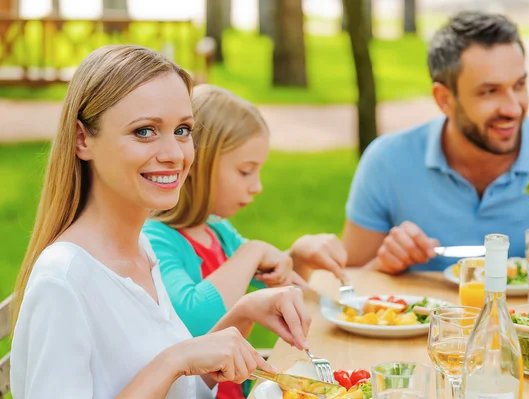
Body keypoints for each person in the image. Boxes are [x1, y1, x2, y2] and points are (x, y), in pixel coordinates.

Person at [10, 45, 311, 399]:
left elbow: (183, 390)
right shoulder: (62, 282)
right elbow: (173, 368)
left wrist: (243, 313)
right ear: (82, 139)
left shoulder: (142, 250)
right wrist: (173, 360)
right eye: (144, 131)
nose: (174, 155)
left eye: (183, 130)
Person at [342, 11, 529, 274]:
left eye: (519, 85)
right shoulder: (387, 161)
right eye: (489, 91)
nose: (513, 108)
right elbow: (348, 285)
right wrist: (384, 265)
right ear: (444, 99)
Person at [142, 84, 346, 398]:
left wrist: (297, 259)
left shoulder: (218, 232)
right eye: (245, 171)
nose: (257, 186)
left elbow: (276, 294)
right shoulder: (156, 239)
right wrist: (253, 251)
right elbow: (196, 323)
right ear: (198, 163)